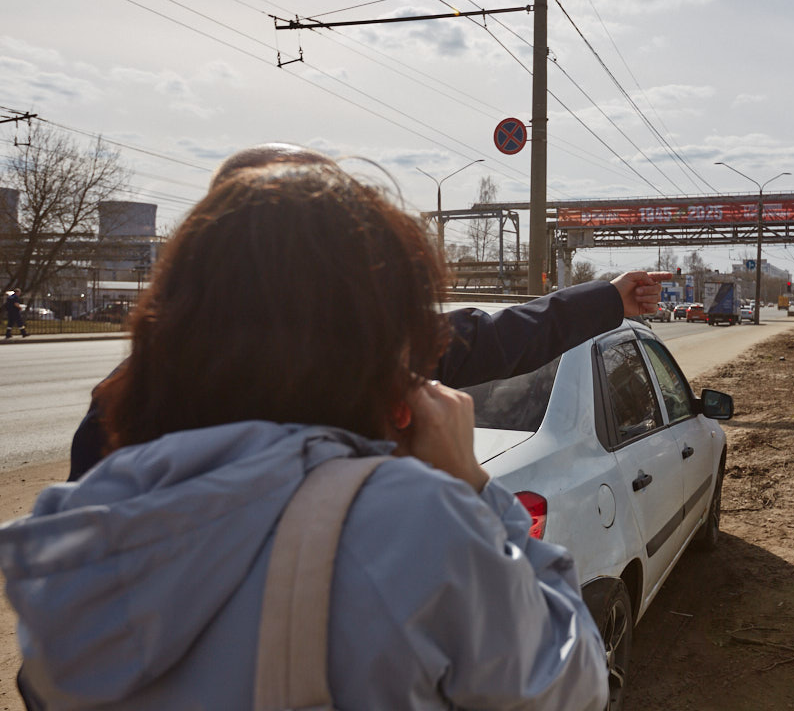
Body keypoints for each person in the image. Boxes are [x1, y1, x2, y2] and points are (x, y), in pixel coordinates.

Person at [0, 154, 609, 709]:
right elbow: (573, 682)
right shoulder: (410, 521)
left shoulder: (75, 525)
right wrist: (475, 487)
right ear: (365, 324)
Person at [66, 143, 669, 479]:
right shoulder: (365, 355)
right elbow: (551, 671)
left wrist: (607, 297)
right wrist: (470, 482)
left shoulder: (127, 394)